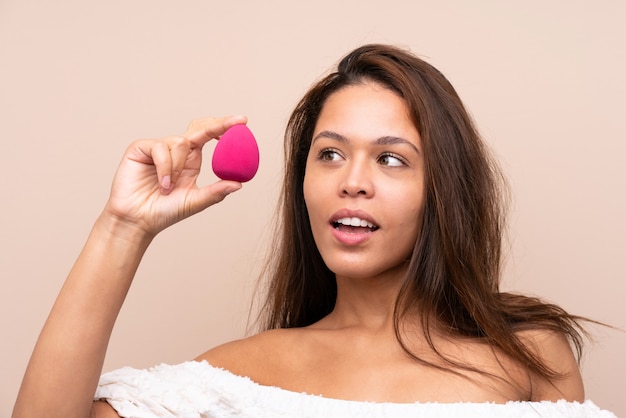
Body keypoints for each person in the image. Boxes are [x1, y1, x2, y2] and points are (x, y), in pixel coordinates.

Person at [12, 44, 615, 417]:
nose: (351, 181)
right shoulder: (236, 376)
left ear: (444, 190)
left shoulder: (528, 355)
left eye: (391, 158)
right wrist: (123, 227)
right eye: (329, 154)